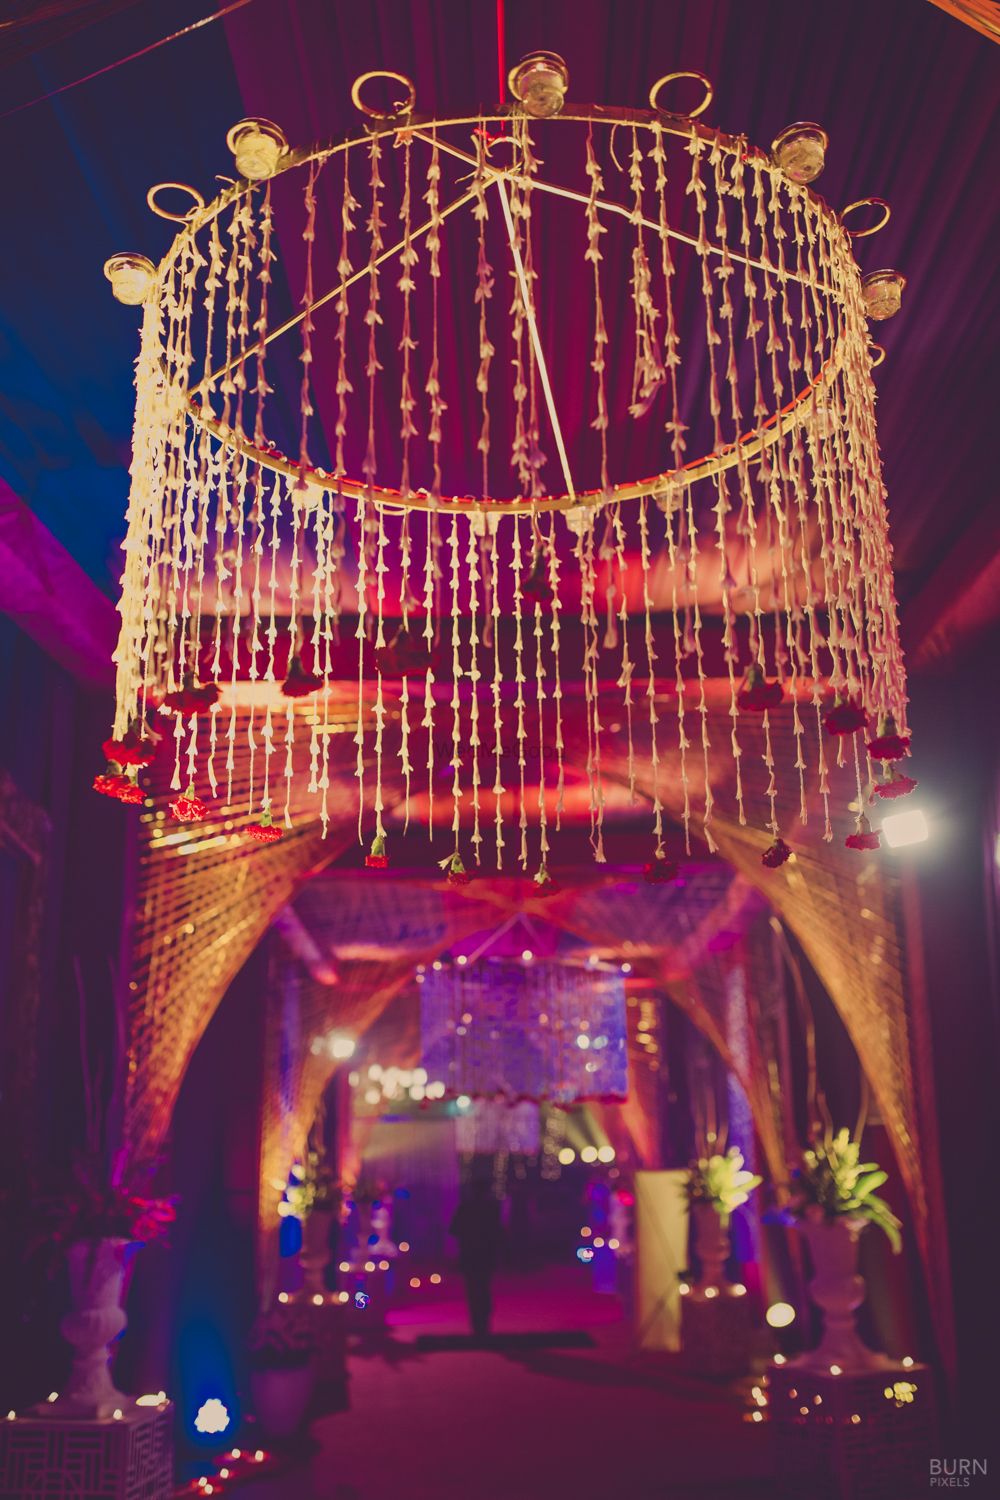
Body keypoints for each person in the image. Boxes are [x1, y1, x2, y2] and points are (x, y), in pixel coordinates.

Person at [449, 1179, 504, 1341]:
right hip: (485, 1255)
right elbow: (498, 1233)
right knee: (483, 1289)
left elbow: (454, 1229)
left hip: (470, 1255)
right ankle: (483, 1326)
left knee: (474, 1291)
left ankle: (478, 1326)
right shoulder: (491, 1208)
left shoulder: (466, 1208)